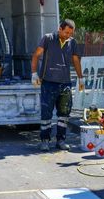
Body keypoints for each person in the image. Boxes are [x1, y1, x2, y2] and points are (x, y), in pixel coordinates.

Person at [31, 19, 84, 151]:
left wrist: (81, 78)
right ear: (60, 28)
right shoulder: (48, 39)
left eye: (71, 33)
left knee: (64, 114)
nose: (68, 35)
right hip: (48, 83)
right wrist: (34, 73)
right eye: (66, 32)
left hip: (65, 83)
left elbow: (76, 60)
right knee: (46, 114)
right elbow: (36, 55)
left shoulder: (72, 43)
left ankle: (61, 140)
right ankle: (45, 141)